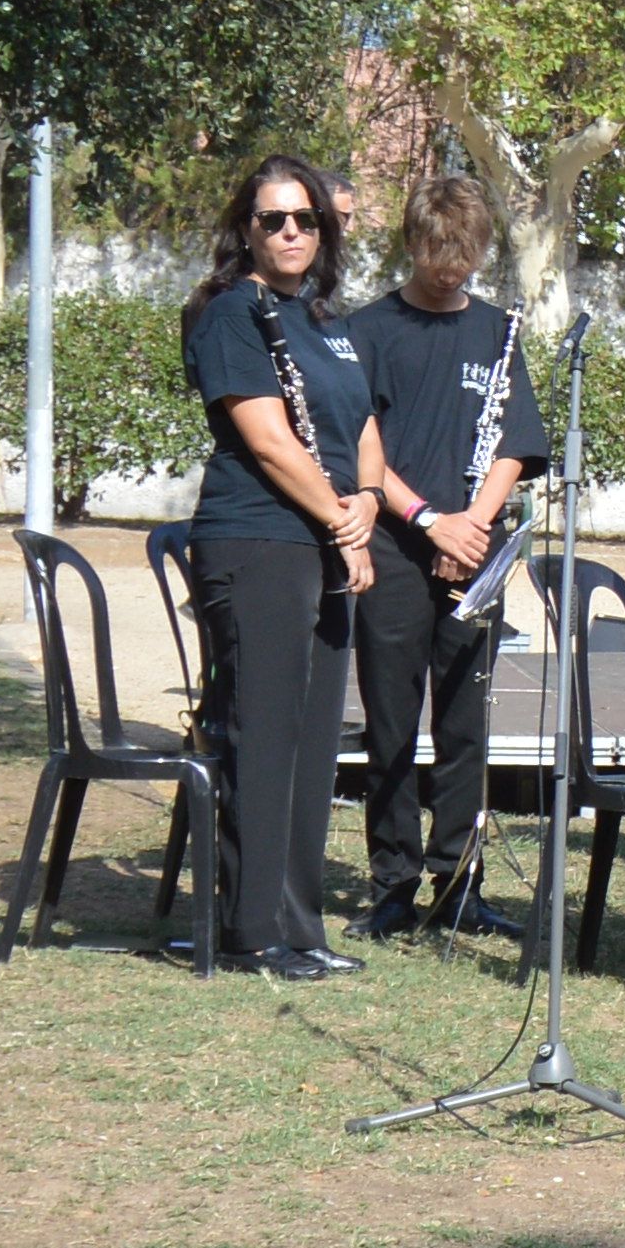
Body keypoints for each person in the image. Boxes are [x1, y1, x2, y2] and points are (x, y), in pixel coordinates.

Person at [185, 159, 385, 980]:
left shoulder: (325, 321)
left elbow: (361, 422)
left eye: (304, 218)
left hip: (327, 541)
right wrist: (344, 521)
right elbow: (270, 440)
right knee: (265, 738)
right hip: (260, 540)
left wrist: (369, 497)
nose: (291, 231)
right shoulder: (233, 315)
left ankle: (303, 929)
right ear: (248, 230)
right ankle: (251, 931)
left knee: (312, 745)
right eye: (273, 220)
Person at [350, 180, 547, 937]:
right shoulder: (368, 331)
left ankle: (459, 882)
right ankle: (394, 885)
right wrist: (431, 521)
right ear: (412, 242)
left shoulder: (497, 331)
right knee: (392, 720)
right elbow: (360, 446)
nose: (450, 269)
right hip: (398, 546)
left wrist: (474, 526)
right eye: (437, 253)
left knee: (466, 721)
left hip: (475, 547)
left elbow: (514, 443)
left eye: (465, 255)